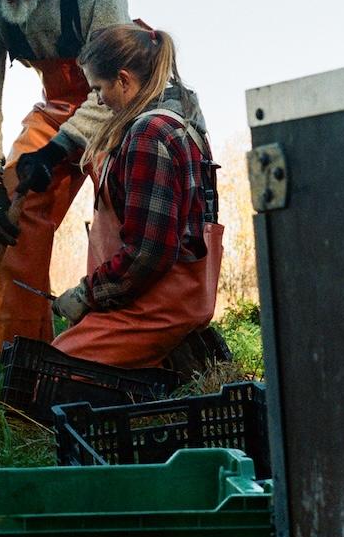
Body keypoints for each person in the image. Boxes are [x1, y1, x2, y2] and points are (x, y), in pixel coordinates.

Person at [0, 0, 130, 356]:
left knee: (120, 215)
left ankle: (112, 351)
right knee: (13, 213)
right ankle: (19, 358)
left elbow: (115, 88)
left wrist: (58, 149)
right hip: (58, 107)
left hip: (118, 105)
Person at [48, 21, 224, 369]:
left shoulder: (149, 134)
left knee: (55, 373)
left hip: (155, 304)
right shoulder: (179, 122)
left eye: (99, 89)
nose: (99, 100)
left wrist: (87, 294)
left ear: (124, 80)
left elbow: (149, 253)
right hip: (152, 296)